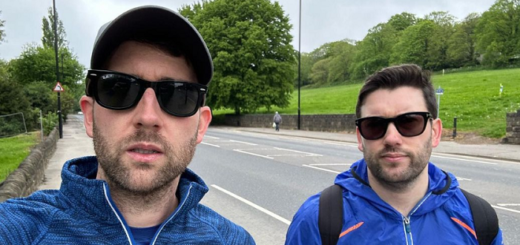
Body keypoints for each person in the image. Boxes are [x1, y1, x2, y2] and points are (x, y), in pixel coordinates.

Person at [0, 6, 255, 245]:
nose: (148, 116)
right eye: (119, 89)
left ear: (201, 125)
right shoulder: (18, 231)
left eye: (177, 95)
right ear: (89, 116)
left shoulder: (234, 240)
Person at [285, 64, 503, 244]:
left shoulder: (478, 219)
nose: (391, 138)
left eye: (409, 122)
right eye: (374, 125)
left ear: (435, 132)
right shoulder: (317, 220)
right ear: (360, 137)